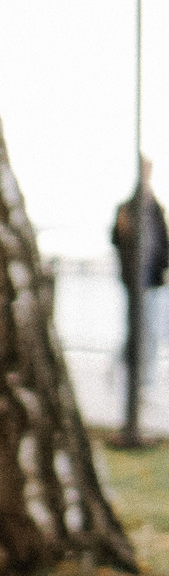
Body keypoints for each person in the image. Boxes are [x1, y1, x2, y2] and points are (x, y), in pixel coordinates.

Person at [115, 158, 168, 404]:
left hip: (153, 280)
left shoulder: (155, 207)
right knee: (135, 330)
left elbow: (163, 243)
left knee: (151, 330)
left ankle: (143, 381)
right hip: (134, 282)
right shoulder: (128, 206)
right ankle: (125, 373)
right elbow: (117, 238)